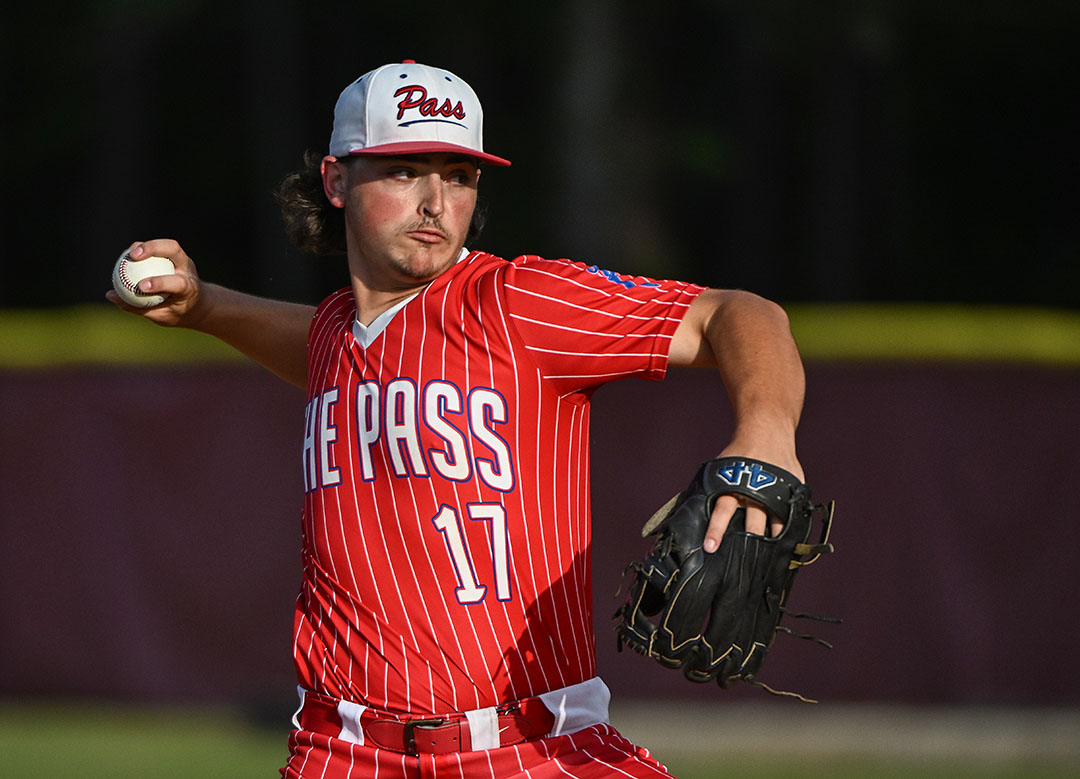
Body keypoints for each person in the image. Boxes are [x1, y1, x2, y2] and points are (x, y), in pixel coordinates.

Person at [109, 60, 806, 778]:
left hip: (533, 749)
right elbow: (331, 349)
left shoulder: (518, 303)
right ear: (337, 180)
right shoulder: (332, 334)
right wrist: (207, 307)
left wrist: (767, 433)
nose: (436, 200)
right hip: (338, 753)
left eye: (460, 175)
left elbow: (741, 313)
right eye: (405, 169)